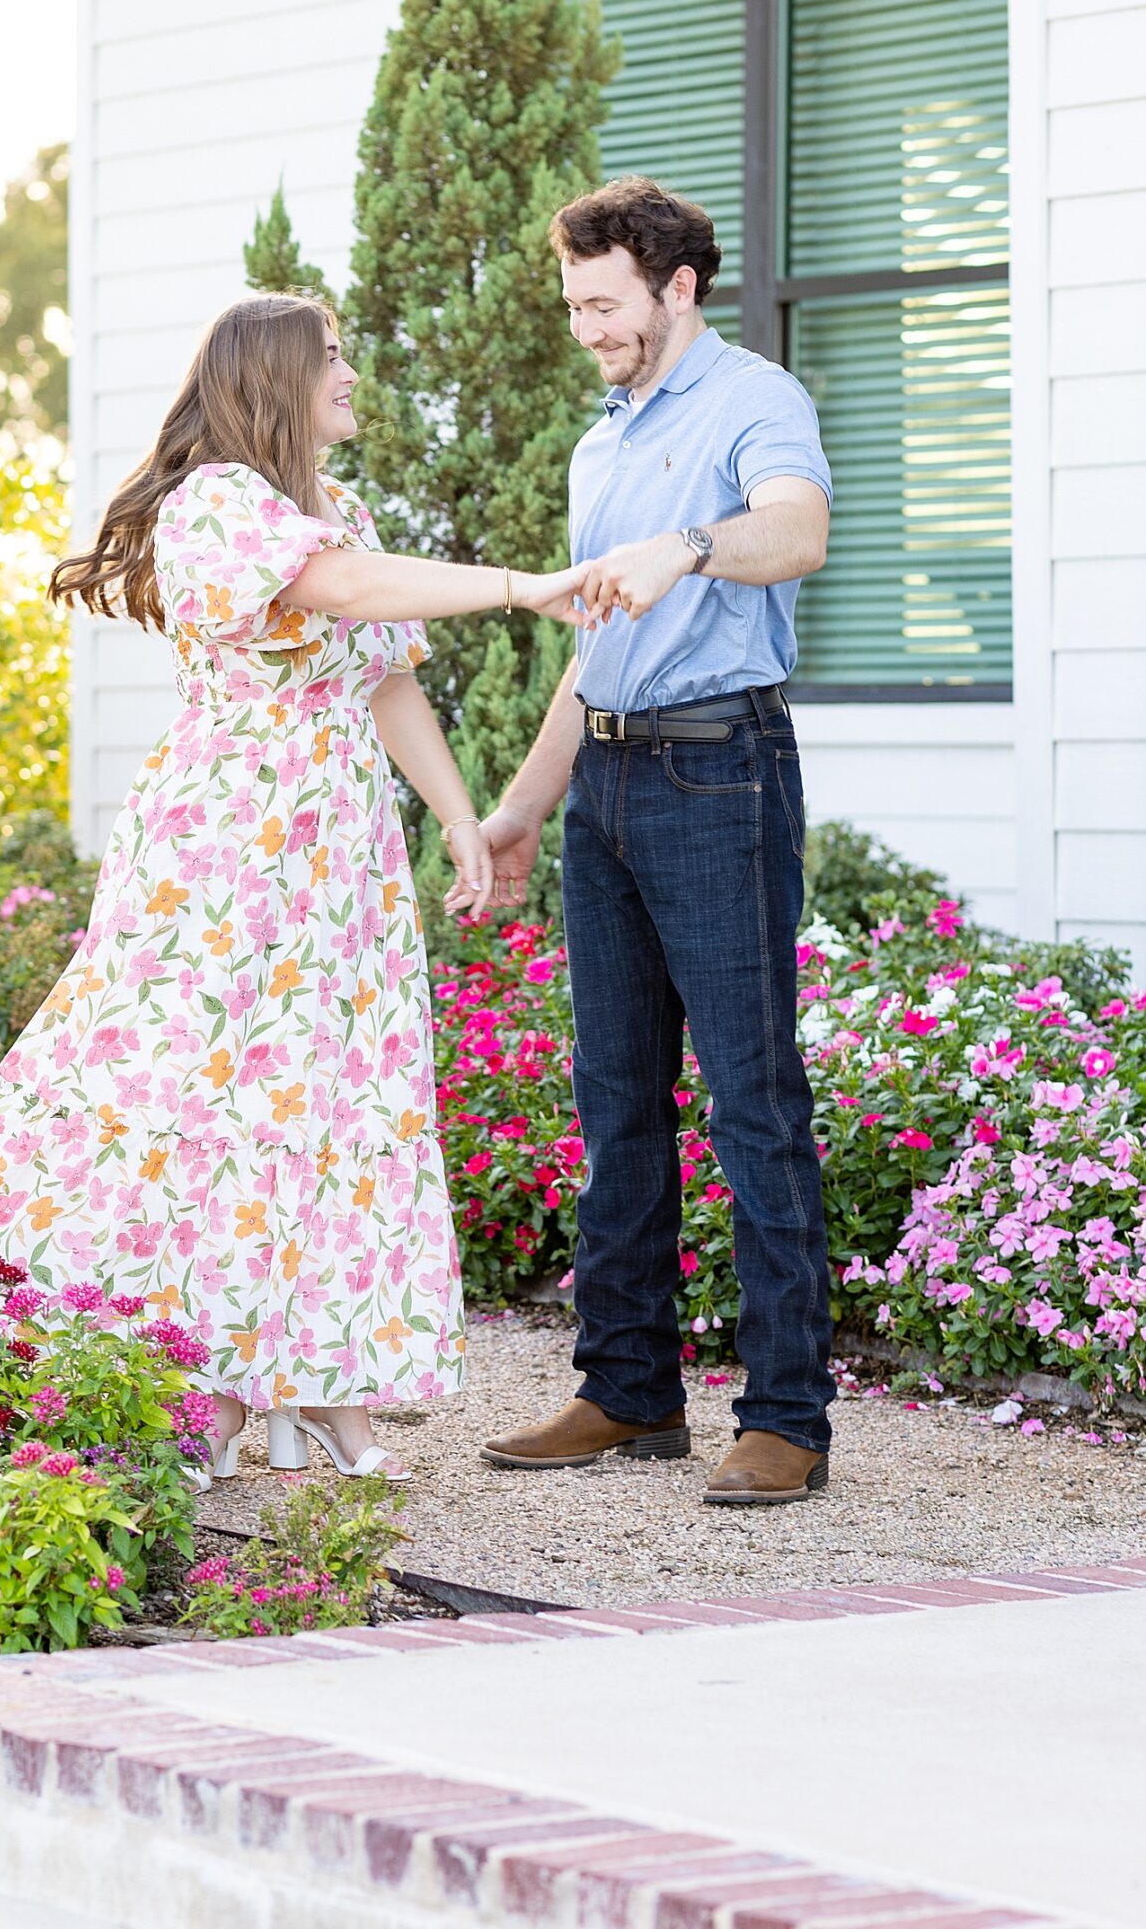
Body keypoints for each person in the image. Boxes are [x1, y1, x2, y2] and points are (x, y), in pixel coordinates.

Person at [0, 292, 584, 1483]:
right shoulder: (216, 505)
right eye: (331, 357)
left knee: (339, 1103)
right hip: (227, 847)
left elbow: (385, 680)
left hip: (340, 853)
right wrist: (524, 584)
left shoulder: (339, 510)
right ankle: (203, 1381)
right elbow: (342, 593)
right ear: (274, 379)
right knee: (196, 1097)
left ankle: (320, 1380)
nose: (350, 374)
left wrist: (459, 816)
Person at [480, 177, 837, 1504]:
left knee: (751, 1100)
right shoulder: (602, 444)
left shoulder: (754, 399)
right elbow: (595, 655)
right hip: (609, 786)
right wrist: (523, 806)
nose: (587, 330)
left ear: (676, 287)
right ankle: (626, 1389)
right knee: (617, 1099)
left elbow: (796, 532)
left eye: (604, 304)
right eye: (573, 307)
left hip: (719, 773)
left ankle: (786, 1418)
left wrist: (685, 547)